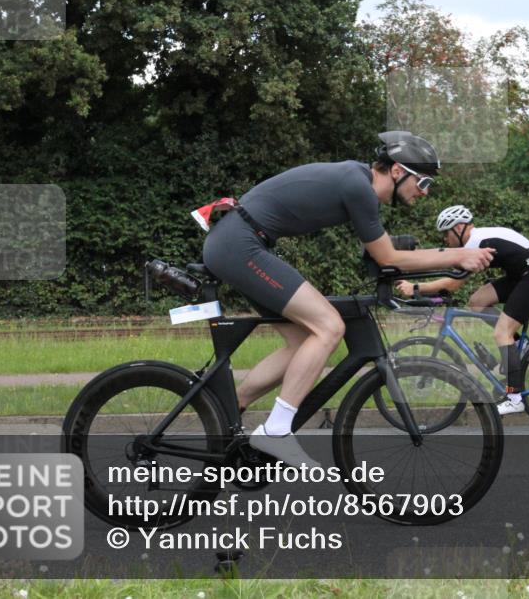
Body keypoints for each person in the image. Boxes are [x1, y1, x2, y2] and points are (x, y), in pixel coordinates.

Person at [201, 133, 495, 467]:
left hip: (239, 243)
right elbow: (387, 257)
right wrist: (457, 254)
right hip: (240, 245)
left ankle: (229, 407)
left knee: (301, 341)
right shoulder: (359, 186)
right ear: (398, 171)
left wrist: (444, 259)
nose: (425, 191)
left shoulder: (356, 181)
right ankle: (277, 431)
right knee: (328, 327)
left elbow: (383, 254)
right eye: (424, 181)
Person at [395, 205, 529, 415]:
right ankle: (519, 346)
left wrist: (415, 288)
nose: (445, 239)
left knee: (502, 332)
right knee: (477, 301)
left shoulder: (476, 243)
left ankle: (514, 398)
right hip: (525, 274)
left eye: (446, 233)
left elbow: (453, 283)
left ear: (459, 228)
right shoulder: (479, 239)